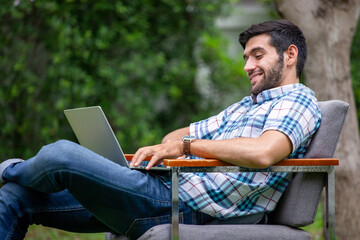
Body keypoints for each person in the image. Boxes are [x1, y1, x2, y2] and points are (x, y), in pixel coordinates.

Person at [0, 19, 321, 240]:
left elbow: (265, 152)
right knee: (17, 197)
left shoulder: (297, 100)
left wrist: (187, 148)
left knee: (62, 154)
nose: (247, 65)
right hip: (166, 190)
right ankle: (13, 177)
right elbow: (176, 137)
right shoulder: (247, 105)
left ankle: (7, 169)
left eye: (257, 55)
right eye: (246, 57)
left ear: (289, 54)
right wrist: (175, 147)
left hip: (194, 209)